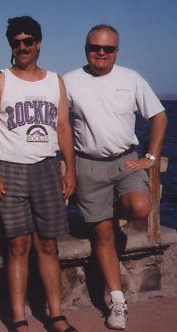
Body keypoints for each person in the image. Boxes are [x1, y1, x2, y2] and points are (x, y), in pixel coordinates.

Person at [63, 24, 167, 330]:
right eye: (95, 47)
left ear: (117, 51)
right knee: (104, 234)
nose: (101, 53)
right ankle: (117, 301)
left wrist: (150, 157)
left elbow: (159, 116)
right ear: (86, 49)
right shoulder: (69, 81)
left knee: (140, 207)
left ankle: (106, 217)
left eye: (108, 48)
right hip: (87, 165)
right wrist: (63, 163)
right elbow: (60, 125)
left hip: (125, 162)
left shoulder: (131, 78)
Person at [0, 16, 77, 332]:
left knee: (48, 245)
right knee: (18, 245)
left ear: (38, 43)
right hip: (10, 169)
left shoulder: (55, 81)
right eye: (16, 42)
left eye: (28, 41)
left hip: (47, 169)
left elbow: (63, 127)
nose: (22, 47)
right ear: (10, 45)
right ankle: (19, 318)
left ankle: (56, 314)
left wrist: (70, 170)